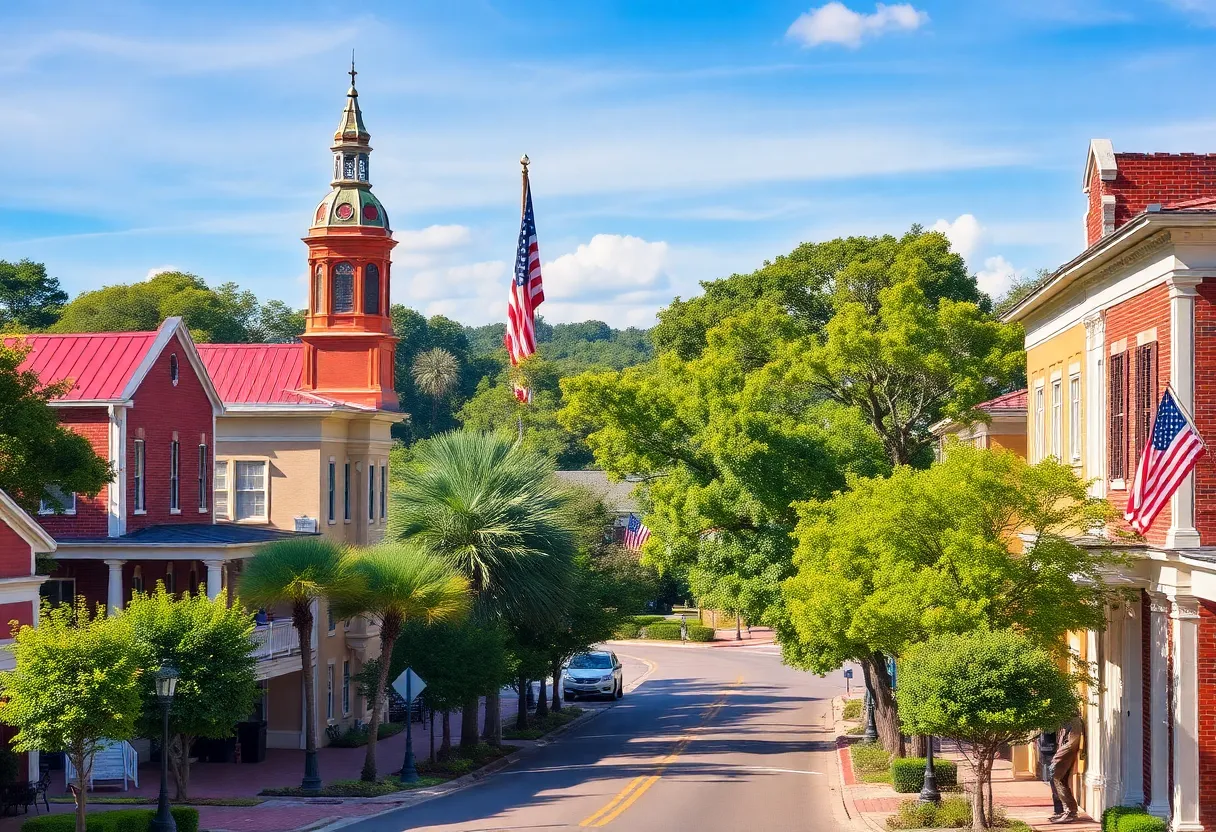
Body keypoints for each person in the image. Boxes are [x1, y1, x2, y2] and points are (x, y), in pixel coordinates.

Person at [1050, 714, 1084, 823]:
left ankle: (1070, 811)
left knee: (1058, 779)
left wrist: (1058, 756)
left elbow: (1073, 742)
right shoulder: (1065, 721)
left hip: (1065, 757)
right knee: (1060, 781)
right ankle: (1068, 810)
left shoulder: (1074, 721)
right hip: (1063, 756)